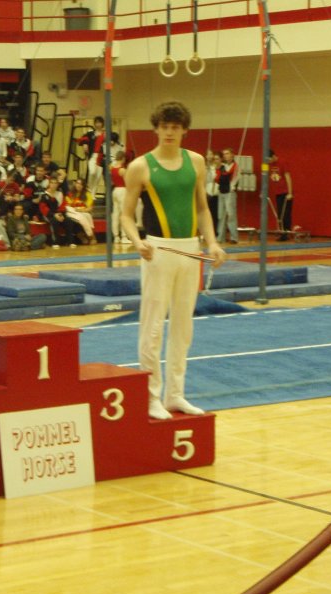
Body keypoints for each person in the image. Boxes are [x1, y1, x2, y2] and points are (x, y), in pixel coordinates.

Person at [121, 101, 226, 420]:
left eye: (175, 127)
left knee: (183, 327)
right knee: (152, 328)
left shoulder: (195, 162)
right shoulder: (140, 166)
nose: (169, 132)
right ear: (156, 128)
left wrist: (212, 242)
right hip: (158, 251)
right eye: (164, 126)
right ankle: (152, 396)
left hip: (189, 250)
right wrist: (137, 240)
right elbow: (126, 214)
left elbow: (203, 209)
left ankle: (175, 394)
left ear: (184, 130)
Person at [268, 149, 293, 240]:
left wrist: (290, 193)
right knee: (279, 214)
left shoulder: (282, 162)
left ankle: (286, 233)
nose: (269, 162)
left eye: (270, 159)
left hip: (285, 192)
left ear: (273, 156)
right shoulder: (270, 165)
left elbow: (287, 177)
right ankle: (282, 232)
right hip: (278, 192)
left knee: (285, 213)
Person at [216, 147, 239, 244]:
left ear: (232, 155)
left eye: (227, 153)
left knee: (231, 215)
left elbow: (235, 179)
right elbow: (217, 179)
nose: (226, 155)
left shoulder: (236, 166)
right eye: (224, 154)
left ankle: (234, 237)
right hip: (221, 192)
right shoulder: (222, 167)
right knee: (221, 215)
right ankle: (220, 237)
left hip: (230, 192)